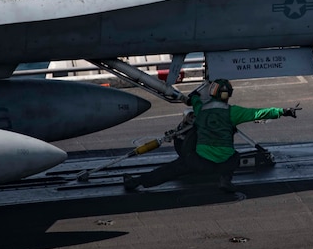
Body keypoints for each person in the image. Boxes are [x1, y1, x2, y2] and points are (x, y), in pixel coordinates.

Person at [124, 79, 300, 193]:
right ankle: (225, 179)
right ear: (228, 95)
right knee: (235, 156)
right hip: (223, 162)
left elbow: (195, 100)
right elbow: (261, 113)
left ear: (213, 93)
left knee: (170, 170)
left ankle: (137, 182)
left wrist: (193, 97)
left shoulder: (201, 111)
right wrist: (284, 111)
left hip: (199, 161)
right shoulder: (234, 112)